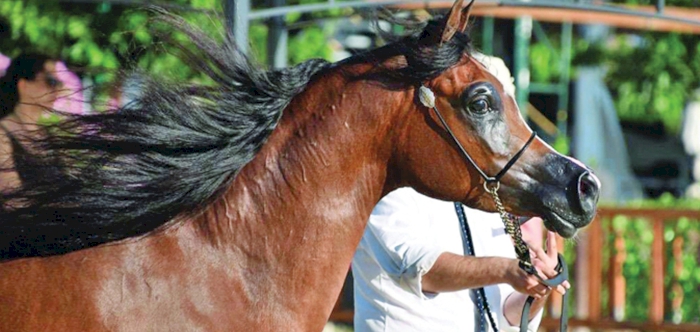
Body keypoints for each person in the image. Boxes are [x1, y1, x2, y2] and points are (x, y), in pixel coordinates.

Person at [352, 188, 568, 331]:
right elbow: (423, 271)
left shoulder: (483, 199)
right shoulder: (390, 190)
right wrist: (506, 270)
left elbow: (505, 315)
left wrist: (538, 285)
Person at [0, 53, 63, 191]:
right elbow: (14, 200)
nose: (58, 89)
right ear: (24, 85)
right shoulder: (2, 135)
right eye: (51, 81)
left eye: (59, 83)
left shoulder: (47, 135)